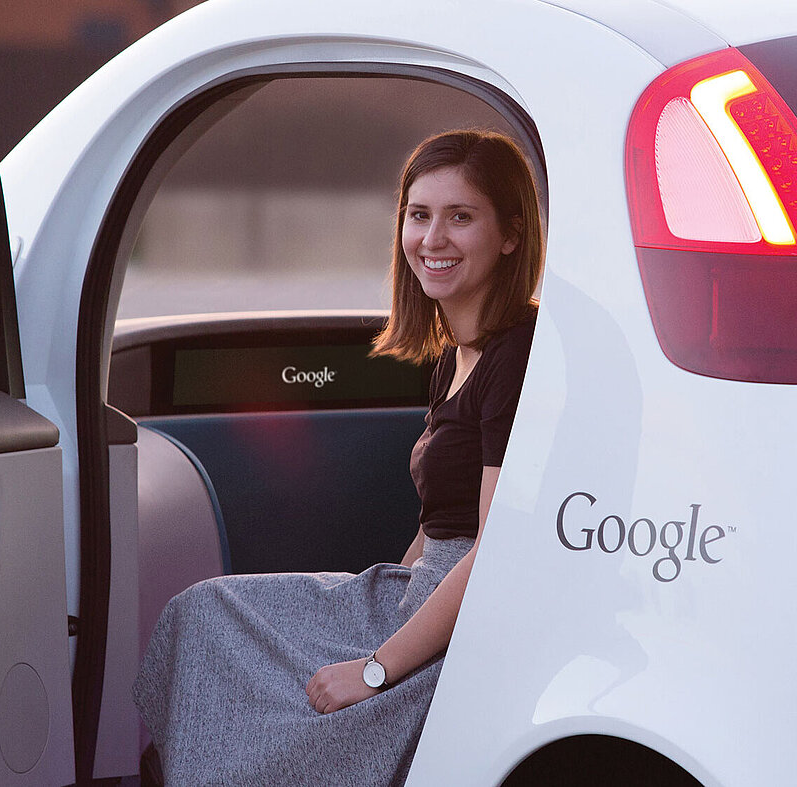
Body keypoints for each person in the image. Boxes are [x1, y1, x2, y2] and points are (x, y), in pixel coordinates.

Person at [133, 129, 544, 786]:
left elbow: (493, 553)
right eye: (419, 215)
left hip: (471, 621)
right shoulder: (455, 355)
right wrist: (371, 613)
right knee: (205, 614)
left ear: (511, 235)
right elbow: (436, 528)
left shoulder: (518, 357)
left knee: (284, 730)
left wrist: (375, 668)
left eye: (461, 217)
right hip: (418, 595)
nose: (433, 238)